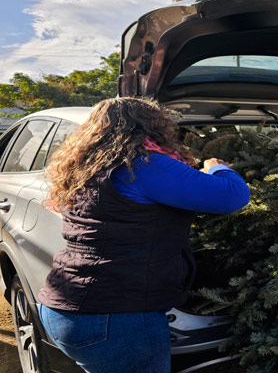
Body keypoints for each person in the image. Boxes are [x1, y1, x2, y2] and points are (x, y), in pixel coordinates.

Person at [37, 97, 250, 373]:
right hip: (116, 318)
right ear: (152, 127)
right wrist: (217, 168)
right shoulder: (143, 166)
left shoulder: (83, 169)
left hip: (63, 307)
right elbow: (232, 196)